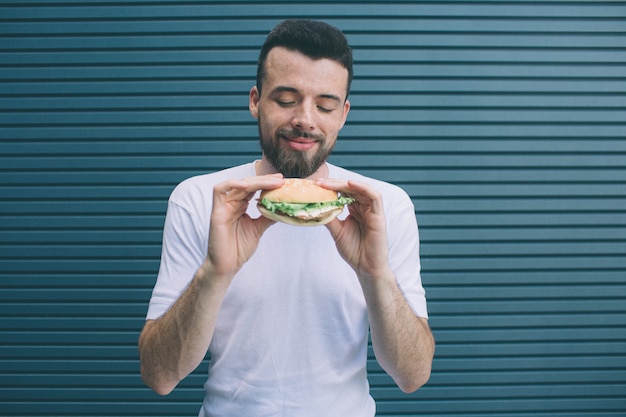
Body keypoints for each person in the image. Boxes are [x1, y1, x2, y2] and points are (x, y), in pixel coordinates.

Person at [138, 19, 434, 417]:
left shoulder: (383, 206)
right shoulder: (198, 199)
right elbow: (159, 376)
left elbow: (412, 376)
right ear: (255, 100)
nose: (305, 119)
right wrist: (215, 272)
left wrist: (374, 273)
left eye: (325, 105)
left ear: (343, 114)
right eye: (286, 99)